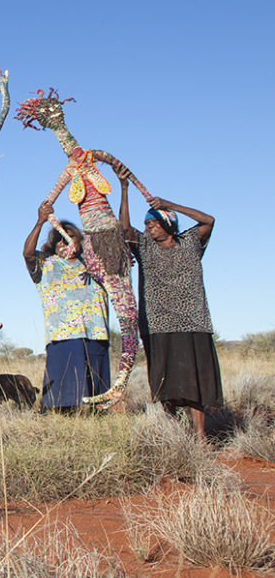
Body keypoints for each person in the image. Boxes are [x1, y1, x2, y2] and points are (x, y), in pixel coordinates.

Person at [119, 178, 220, 439]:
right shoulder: (145, 249)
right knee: (165, 382)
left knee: (194, 383)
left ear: (168, 223)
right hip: (157, 322)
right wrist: (124, 188)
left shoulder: (190, 243)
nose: (148, 228)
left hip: (192, 321)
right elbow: (124, 228)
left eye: (152, 223)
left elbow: (208, 220)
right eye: (147, 225)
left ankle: (199, 437)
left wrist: (168, 204)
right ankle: (174, 434)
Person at [23, 203, 111, 411]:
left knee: (97, 396)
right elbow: (28, 254)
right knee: (63, 400)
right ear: (54, 246)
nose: (66, 243)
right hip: (63, 336)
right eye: (60, 240)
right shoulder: (48, 264)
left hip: (95, 333)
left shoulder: (95, 265)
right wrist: (40, 222)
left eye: (71, 237)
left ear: (80, 241)